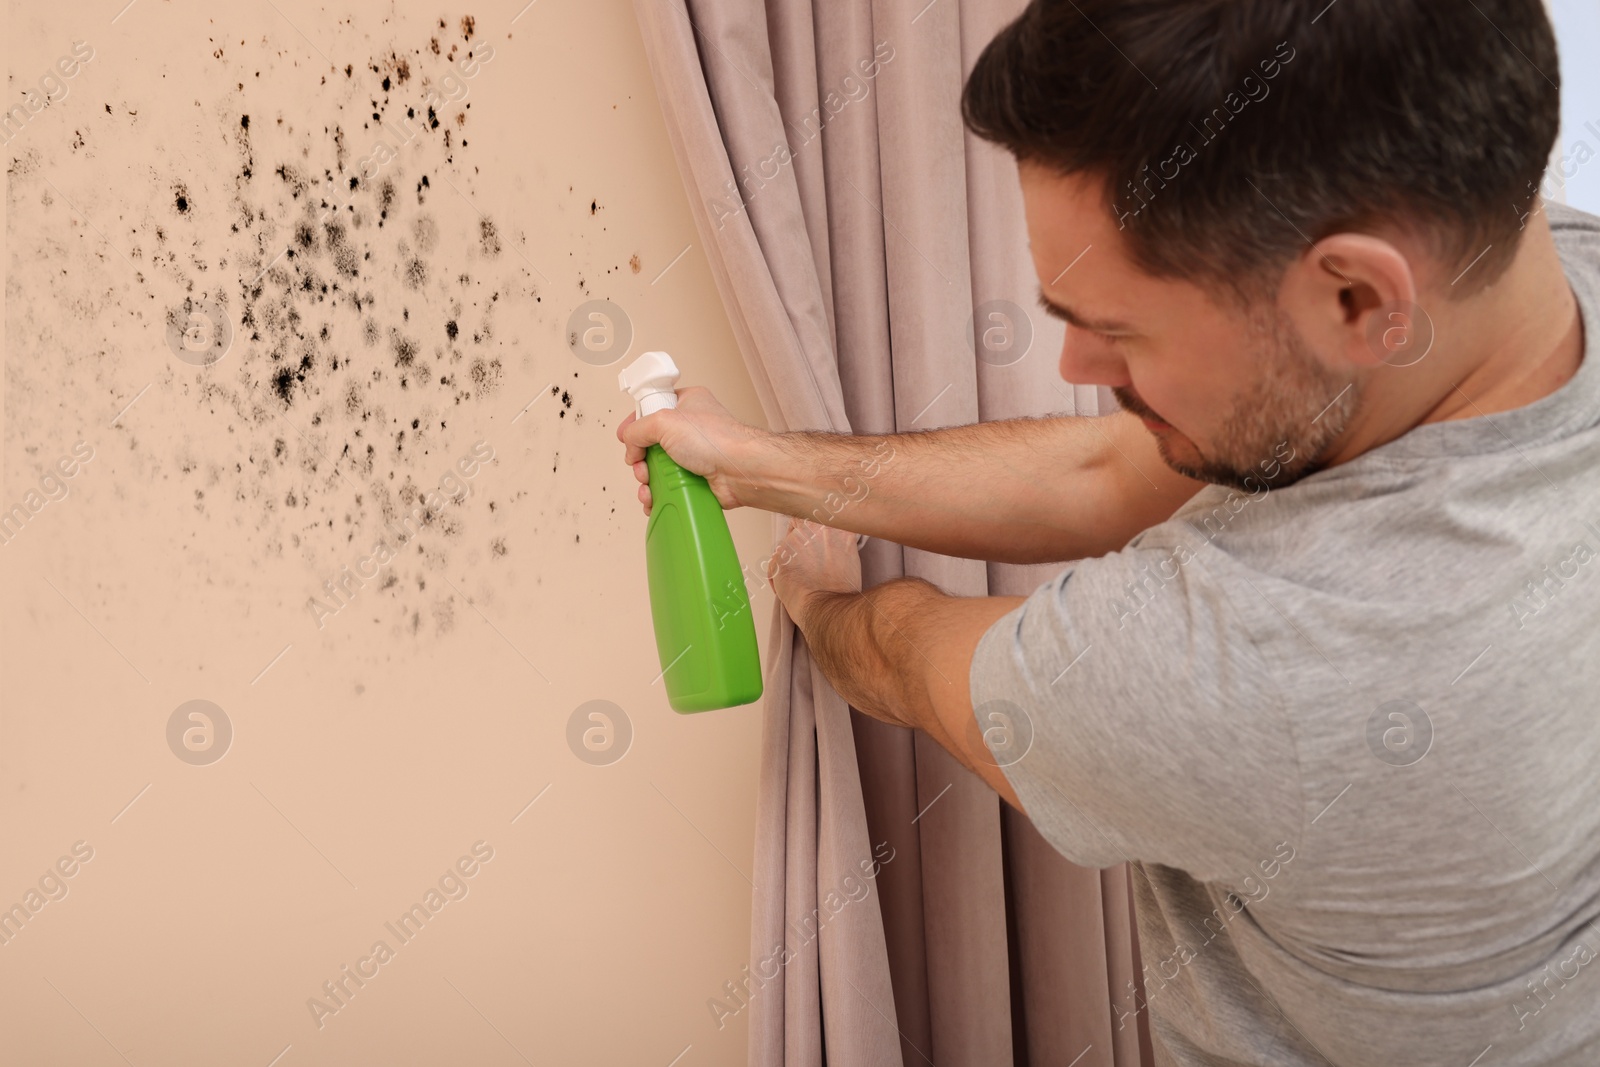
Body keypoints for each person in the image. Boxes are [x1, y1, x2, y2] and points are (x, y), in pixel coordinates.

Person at [618, 0, 1600, 1062]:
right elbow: (1106, 473)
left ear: (1359, 296)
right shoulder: (1532, 271)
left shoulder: (1253, 659)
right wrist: (775, 466)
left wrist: (813, 592)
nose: (1079, 371)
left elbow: (906, 658)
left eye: (1117, 328)